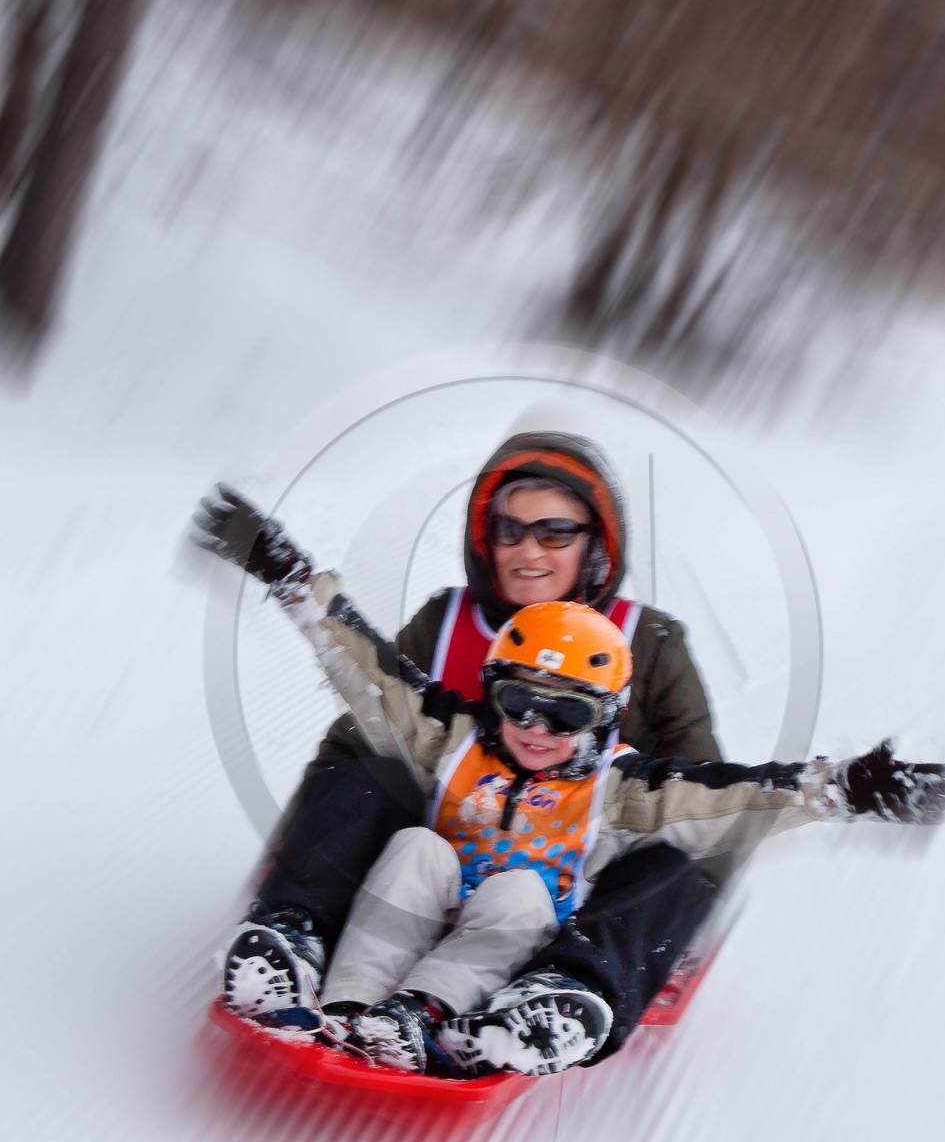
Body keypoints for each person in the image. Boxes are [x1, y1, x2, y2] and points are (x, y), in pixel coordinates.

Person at [193, 487, 945, 1078]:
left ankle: (430, 1018)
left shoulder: (622, 792)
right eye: (519, 702)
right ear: (493, 692)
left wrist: (849, 787)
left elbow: (738, 797)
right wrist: (291, 579)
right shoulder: (451, 739)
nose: (535, 728)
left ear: (605, 720)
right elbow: (367, 668)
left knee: (525, 890)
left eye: (566, 716)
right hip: (422, 904)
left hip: (509, 942)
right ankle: (335, 999)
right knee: (419, 843)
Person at [232, 429, 726, 1075]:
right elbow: (360, 734)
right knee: (369, 771)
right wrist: (301, 858)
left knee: (678, 856)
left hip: (562, 890)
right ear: (482, 539)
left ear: (596, 546)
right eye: (508, 530)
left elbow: (706, 795)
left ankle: (562, 994)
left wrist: (664, 916)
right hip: (426, 863)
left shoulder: (649, 641)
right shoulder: (446, 622)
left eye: (554, 532)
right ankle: (296, 941)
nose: (527, 551)